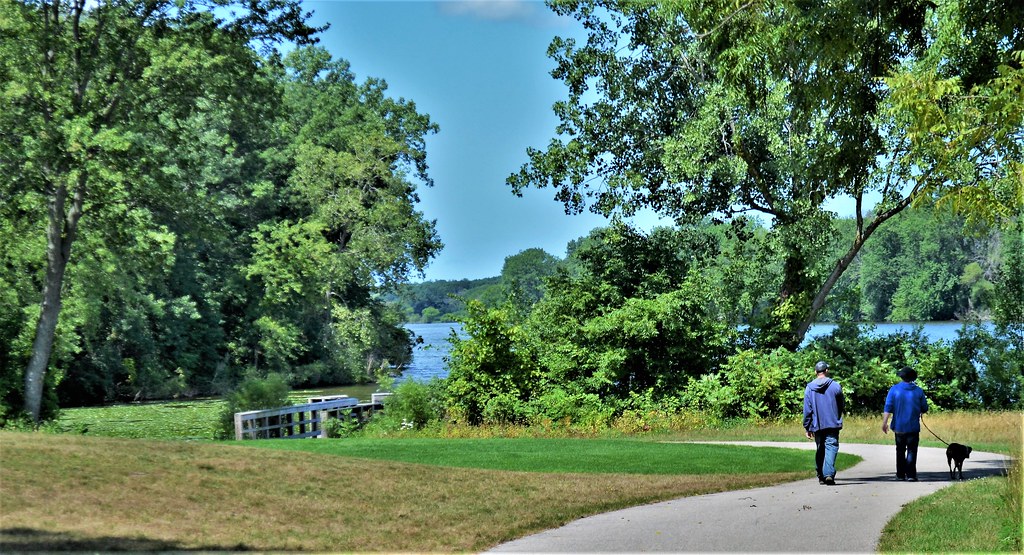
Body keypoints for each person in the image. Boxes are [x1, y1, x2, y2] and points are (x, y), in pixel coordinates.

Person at [882, 366, 929, 481]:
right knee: (912, 450)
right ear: (912, 378)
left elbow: (888, 407)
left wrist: (884, 423)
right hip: (913, 427)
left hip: (899, 426)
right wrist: (919, 410)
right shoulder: (918, 391)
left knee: (900, 450)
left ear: (902, 377)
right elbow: (925, 407)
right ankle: (911, 475)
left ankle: (900, 474)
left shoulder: (894, 389)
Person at [803, 360, 845, 485]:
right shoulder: (836, 386)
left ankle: (821, 474)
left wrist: (807, 426)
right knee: (831, 447)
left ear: (816, 372)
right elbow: (841, 404)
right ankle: (828, 474)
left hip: (817, 424)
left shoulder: (809, 388)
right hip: (832, 423)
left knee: (820, 448)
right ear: (826, 370)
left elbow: (807, 409)